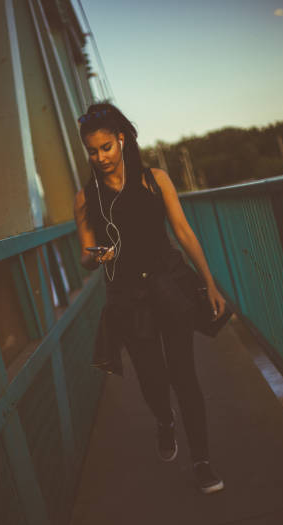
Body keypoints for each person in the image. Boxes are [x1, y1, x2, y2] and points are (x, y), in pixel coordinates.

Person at [74, 102, 226, 494]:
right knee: (153, 381)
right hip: (128, 299)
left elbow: (183, 231)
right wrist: (97, 256)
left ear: (121, 139)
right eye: (92, 151)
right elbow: (85, 255)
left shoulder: (154, 179)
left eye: (106, 147)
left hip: (169, 287)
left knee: (184, 376)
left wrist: (209, 283)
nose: (100, 157)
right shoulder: (85, 200)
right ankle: (163, 420)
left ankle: (203, 461)